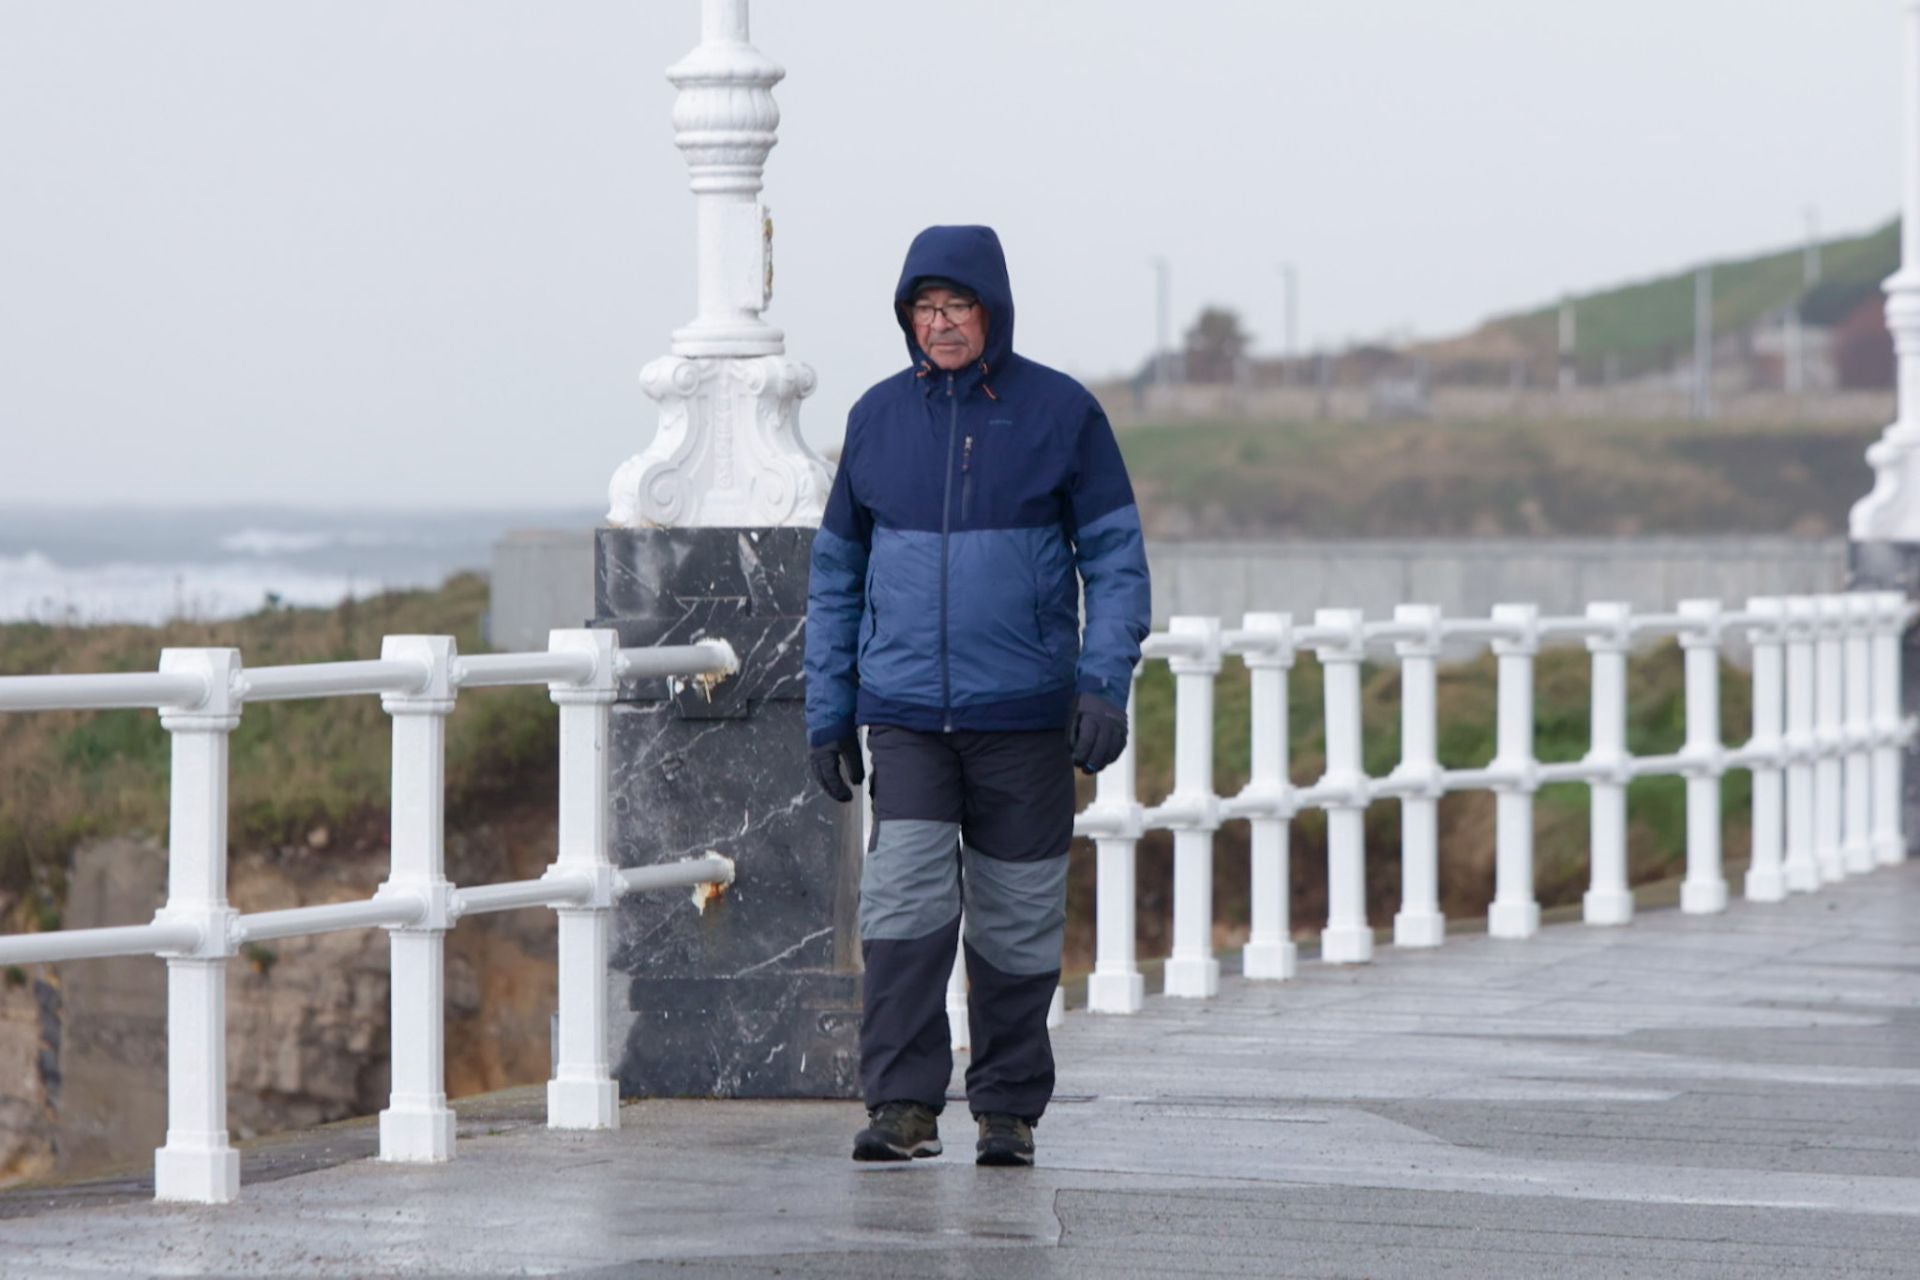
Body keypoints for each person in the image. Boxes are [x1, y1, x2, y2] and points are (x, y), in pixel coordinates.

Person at [803, 225, 1151, 1167]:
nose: (940, 324)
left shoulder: (1062, 413)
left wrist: (1102, 685)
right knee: (904, 911)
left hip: (1027, 715)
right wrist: (828, 708)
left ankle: (1006, 1110)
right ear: (906, 317)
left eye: (957, 306)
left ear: (992, 309)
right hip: (908, 714)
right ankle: (904, 1108)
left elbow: (1117, 562)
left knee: (1016, 916)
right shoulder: (877, 418)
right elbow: (836, 576)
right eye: (924, 308)